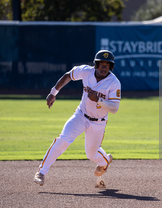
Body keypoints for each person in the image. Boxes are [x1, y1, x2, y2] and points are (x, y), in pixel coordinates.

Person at [34, 50, 121, 186]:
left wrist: (98, 99)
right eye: (102, 64)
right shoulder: (86, 71)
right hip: (80, 115)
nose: (104, 67)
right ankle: (41, 172)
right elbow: (68, 75)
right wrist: (53, 92)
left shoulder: (114, 83)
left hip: (98, 123)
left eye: (107, 65)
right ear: (96, 65)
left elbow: (114, 108)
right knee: (63, 140)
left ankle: (105, 161)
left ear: (111, 67)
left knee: (91, 154)